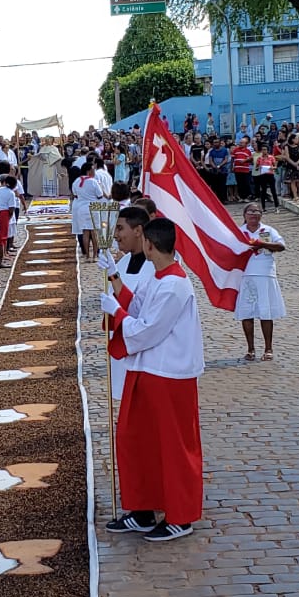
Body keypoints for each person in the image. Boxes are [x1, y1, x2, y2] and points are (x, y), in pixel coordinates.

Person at [100, 218, 204, 542]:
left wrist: (115, 314)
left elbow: (148, 328)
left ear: (149, 244)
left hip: (169, 374)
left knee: (172, 447)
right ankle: (143, 508)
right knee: (136, 440)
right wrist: (114, 278)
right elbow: (138, 305)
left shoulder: (175, 284)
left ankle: (180, 516)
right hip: (147, 371)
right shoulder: (158, 278)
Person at [99, 206, 155, 400]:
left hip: (144, 346)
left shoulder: (154, 266)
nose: (115, 235)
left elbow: (140, 306)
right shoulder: (122, 263)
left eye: (120, 229)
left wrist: (114, 278)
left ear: (138, 231)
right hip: (122, 339)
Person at [235, 205, 286, 361]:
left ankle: (268, 348)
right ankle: (250, 349)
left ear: (261, 215)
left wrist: (262, 244)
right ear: (244, 215)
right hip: (246, 275)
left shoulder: (268, 231)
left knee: (266, 312)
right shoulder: (239, 232)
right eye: (250, 212)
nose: (253, 214)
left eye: (257, 212)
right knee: (247, 313)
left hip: (265, 274)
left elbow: (281, 246)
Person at [72, 162, 107, 257]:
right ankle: (95, 255)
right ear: (88, 171)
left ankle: (87, 255)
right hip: (93, 208)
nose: (94, 171)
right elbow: (100, 196)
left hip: (81, 209)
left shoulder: (76, 181)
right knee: (94, 232)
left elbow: (75, 195)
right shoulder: (93, 181)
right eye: (93, 169)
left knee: (85, 233)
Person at [252, 142, 279, 211]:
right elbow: (256, 167)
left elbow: (275, 166)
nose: (264, 151)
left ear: (267, 150)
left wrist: (272, 168)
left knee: (273, 191)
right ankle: (263, 207)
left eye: (265, 149)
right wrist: (259, 167)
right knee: (263, 191)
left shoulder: (271, 157)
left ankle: (276, 207)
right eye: (263, 149)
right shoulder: (259, 158)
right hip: (263, 175)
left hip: (270, 174)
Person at [231, 137, 254, 203]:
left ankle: (246, 197)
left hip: (245, 170)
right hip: (237, 169)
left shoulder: (248, 151)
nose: (240, 144)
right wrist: (231, 167)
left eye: (242, 143)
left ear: (246, 144)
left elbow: (250, 160)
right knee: (239, 184)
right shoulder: (236, 150)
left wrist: (245, 160)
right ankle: (241, 197)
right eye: (240, 142)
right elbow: (233, 159)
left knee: (246, 183)